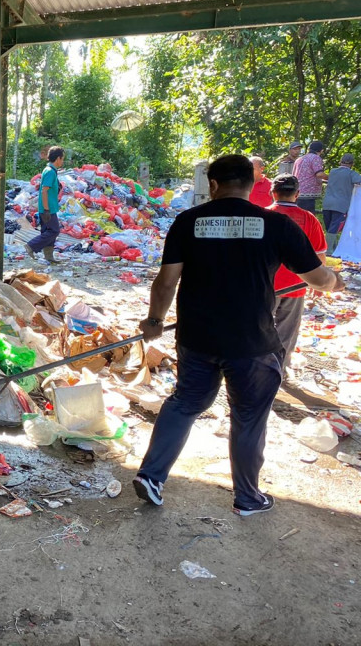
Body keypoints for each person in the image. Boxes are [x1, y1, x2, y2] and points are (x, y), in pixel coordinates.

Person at [132, 155, 343, 516]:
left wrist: (154, 320)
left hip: (197, 338)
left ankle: (152, 476)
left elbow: (166, 281)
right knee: (248, 416)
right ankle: (247, 498)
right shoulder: (276, 225)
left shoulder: (188, 222)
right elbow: (319, 278)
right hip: (253, 343)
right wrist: (334, 282)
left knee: (185, 403)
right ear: (251, 184)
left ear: (213, 185)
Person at [267, 175, 327, 374]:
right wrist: (319, 285)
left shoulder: (262, 216)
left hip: (265, 286)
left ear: (272, 192)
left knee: (258, 330)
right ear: (298, 194)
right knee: (286, 333)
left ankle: (257, 374)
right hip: (297, 284)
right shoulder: (309, 219)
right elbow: (320, 255)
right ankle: (278, 373)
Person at [25, 146, 64, 263]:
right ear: (58, 158)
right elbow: (44, 190)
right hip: (48, 208)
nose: (62, 161)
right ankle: (31, 246)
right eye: (62, 159)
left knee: (48, 231)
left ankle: (49, 256)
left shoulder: (49, 170)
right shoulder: (50, 172)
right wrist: (46, 209)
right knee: (54, 231)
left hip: (48, 207)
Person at [323, 153, 361, 234]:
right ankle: (329, 246)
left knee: (328, 228)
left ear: (340, 162)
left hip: (327, 204)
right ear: (352, 164)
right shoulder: (351, 174)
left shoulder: (332, 172)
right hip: (340, 206)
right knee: (333, 229)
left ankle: (331, 246)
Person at [292, 141, 327, 213]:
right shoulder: (315, 158)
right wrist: (332, 177)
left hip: (297, 192)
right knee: (308, 218)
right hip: (308, 194)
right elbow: (319, 174)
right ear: (321, 150)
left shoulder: (299, 159)